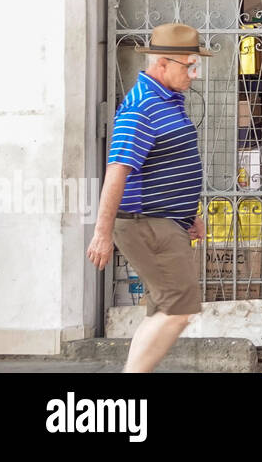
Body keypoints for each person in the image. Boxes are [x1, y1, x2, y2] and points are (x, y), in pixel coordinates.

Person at [87, 22, 213, 373]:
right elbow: (118, 170)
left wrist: (189, 215)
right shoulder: (142, 107)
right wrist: (101, 232)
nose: (194, 74)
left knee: (164, 310)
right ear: (162, 65)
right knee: (180, 310)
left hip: (164, 222)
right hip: (148, 224)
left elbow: (167, 164)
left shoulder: (167, 101)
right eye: (190, 66)